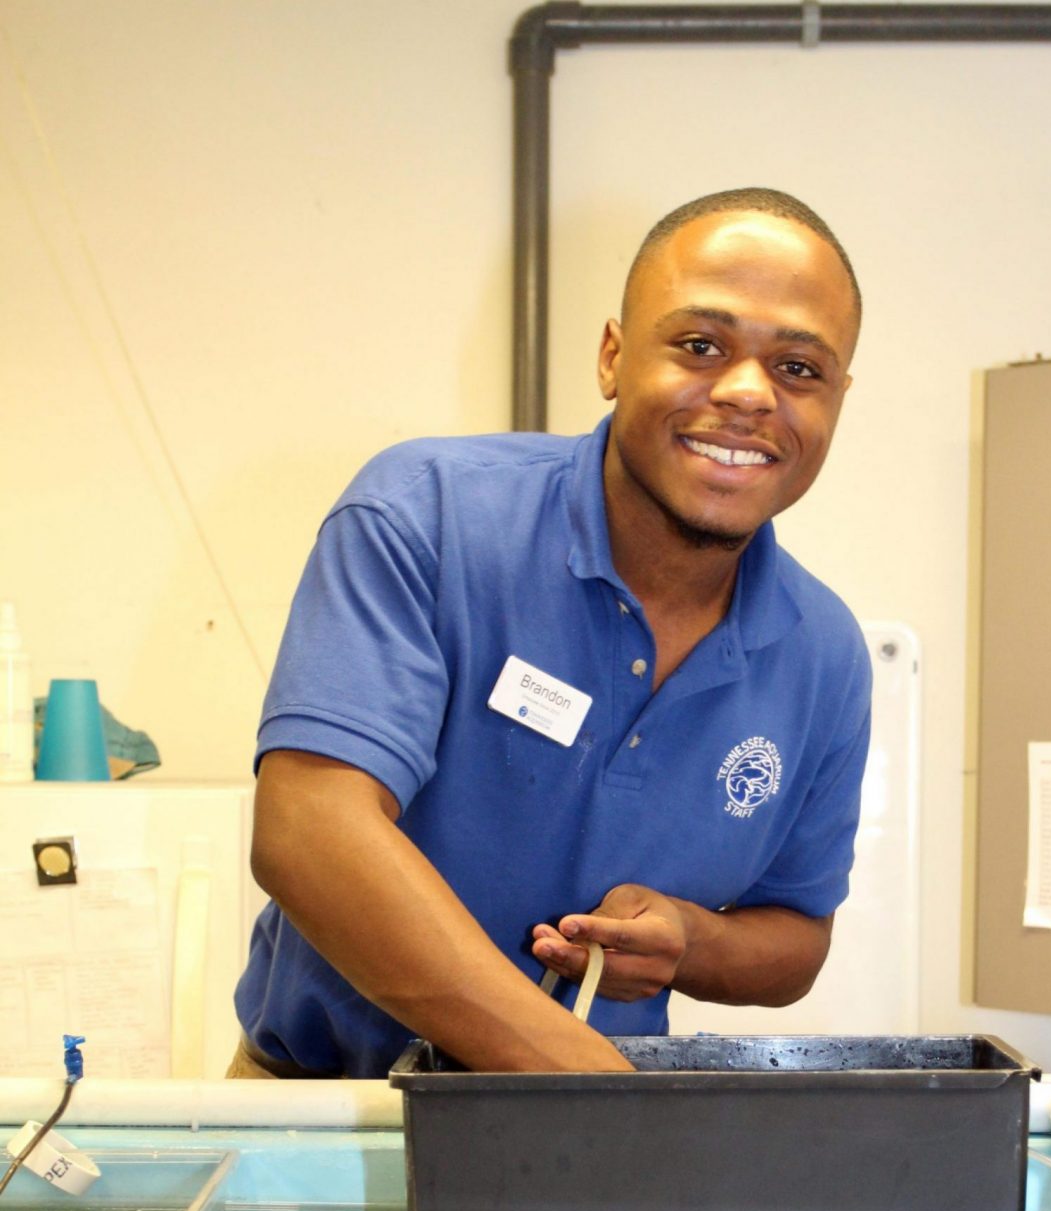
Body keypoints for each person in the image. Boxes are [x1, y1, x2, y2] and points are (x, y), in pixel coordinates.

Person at [231, 187, 871, 1078]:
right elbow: (309, 830)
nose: (746, 393)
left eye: (800, 368)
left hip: (590, 1159)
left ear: (838, 397)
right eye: (699, 345)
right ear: (613, 356)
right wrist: (593, 1089)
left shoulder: (826, 655)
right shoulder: (428, 514)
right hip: (335, 1115)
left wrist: (690, 941)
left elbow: (796, 938)